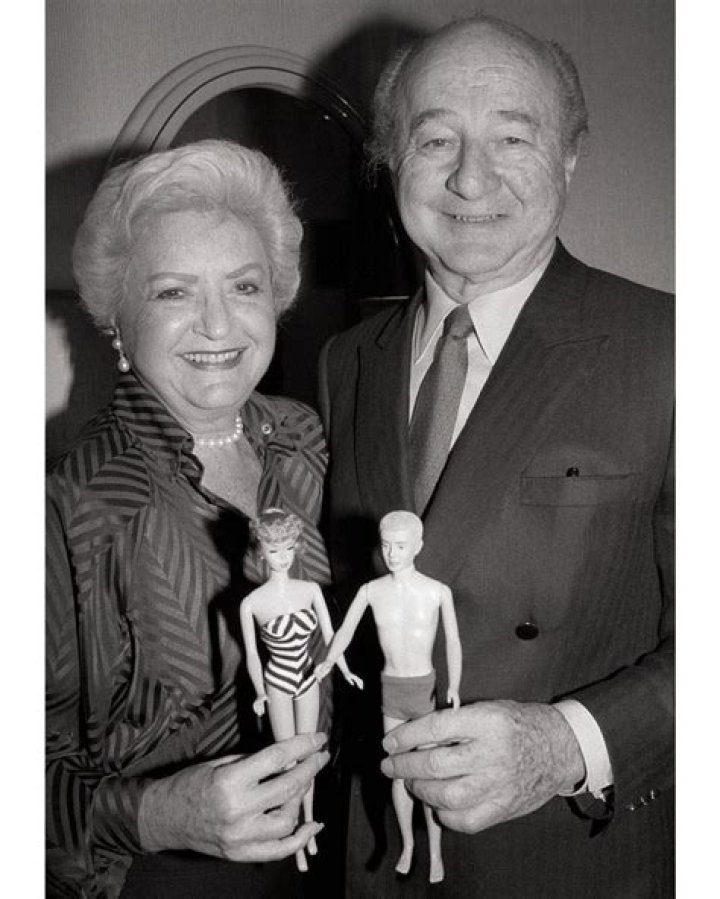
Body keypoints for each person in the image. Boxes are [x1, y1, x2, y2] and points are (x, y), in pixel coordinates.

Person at [318, 13, 674, 898]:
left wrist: (567, 745)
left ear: (569, 156)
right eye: (435, 139)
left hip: (573, 859)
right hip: (380, 860)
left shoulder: (675, 347)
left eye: (513, 137)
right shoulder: (345, 360)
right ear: (390, 161)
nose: (470, 178)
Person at [46, 139, 333, 898]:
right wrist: (158, 815)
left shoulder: (307, 440)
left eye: (244, 285)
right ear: (116, 318)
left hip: (335, 861)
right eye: (174, 292)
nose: (217, 323)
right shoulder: (69, 506)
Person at [316, 510, 461, 884]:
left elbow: (453, 642)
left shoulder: (436, 591)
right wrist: (329, 661)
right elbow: (345, 632)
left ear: (418, 546)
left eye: (401, 546)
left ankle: (436, 854)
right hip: (391, 689)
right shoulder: (371, 591)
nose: (393, 554)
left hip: (424, 689)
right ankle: (407, 845)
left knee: (427, 774)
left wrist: (454, 686)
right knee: (398, 772)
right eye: (386, 546)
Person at [240, 508, 362, 872]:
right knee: (287, 760)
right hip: (277, 681)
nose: (282, 557)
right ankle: (290, 831)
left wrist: (344, 667)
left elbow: (331, 635)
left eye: (288, 547)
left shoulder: (310, 590)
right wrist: (260, 692)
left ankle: (308, 827)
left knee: (308, 754)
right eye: (274, 549)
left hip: (308, 676)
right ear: (261, 551)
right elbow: (251, 654)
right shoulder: (252, 603)